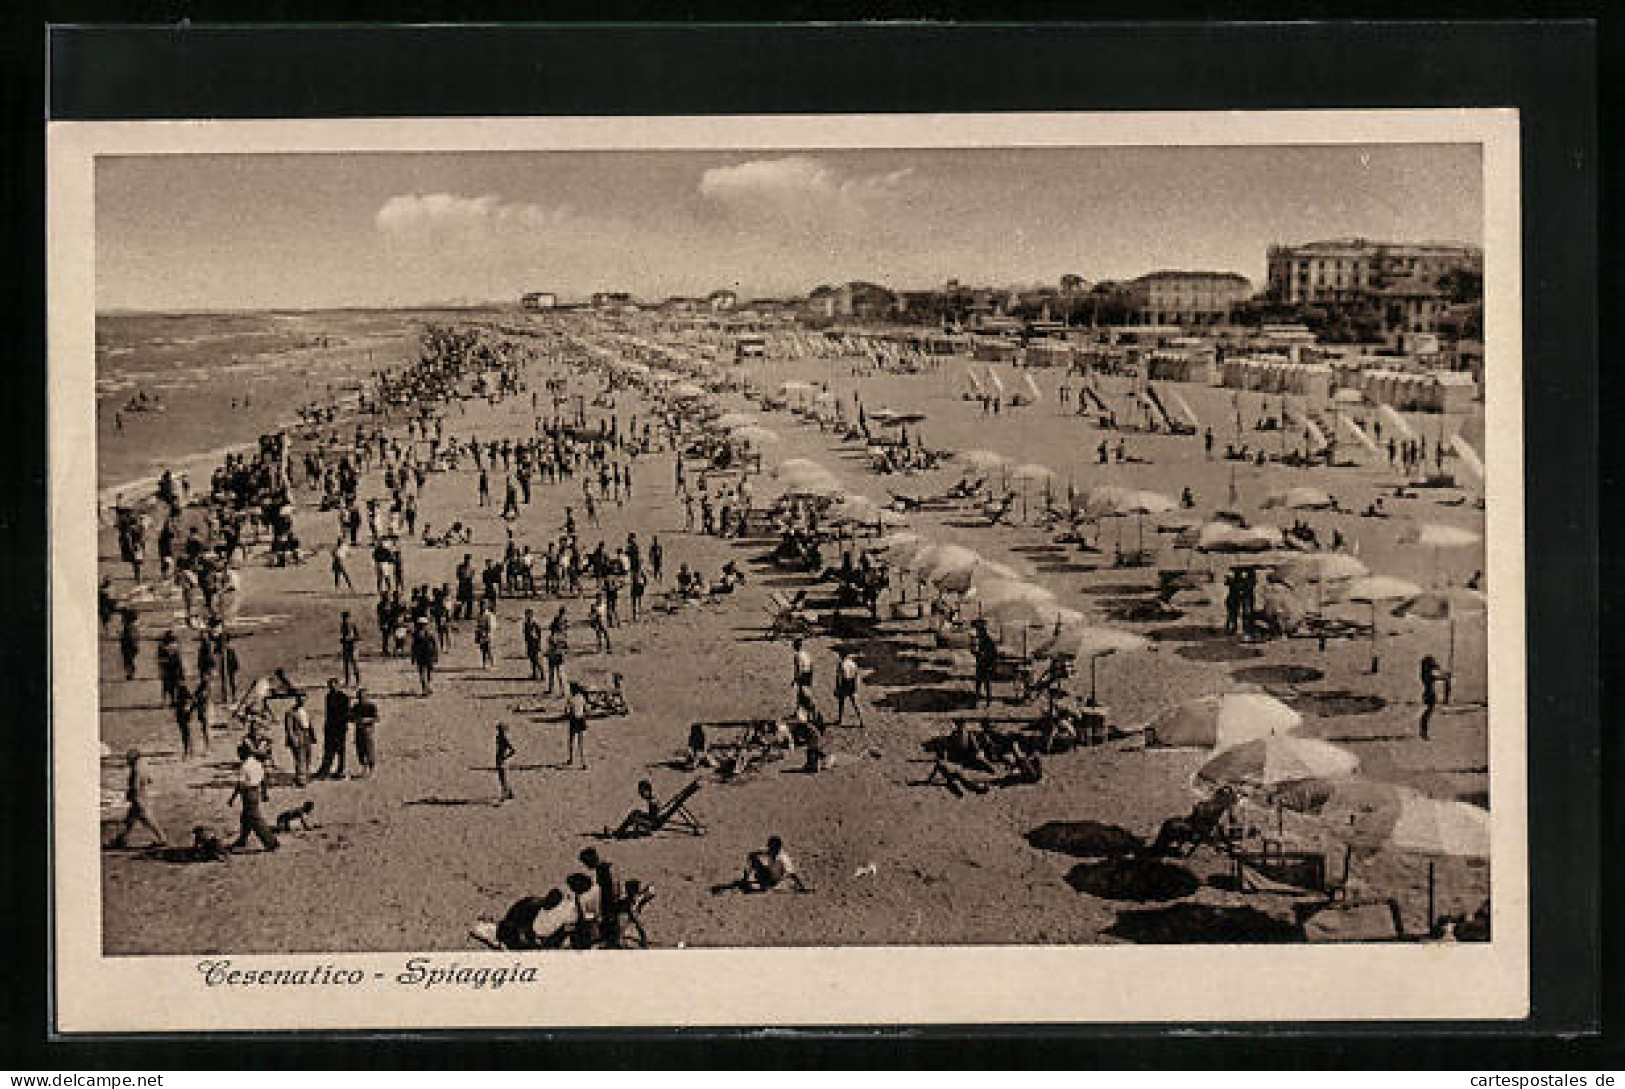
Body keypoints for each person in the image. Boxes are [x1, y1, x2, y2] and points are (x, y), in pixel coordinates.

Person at [712, 835, 808, 894]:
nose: (769, 849)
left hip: (773, 881)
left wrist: (802, 887)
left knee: (750, 889)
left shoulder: (783, 858)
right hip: (766, 874)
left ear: (777, 848)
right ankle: (745, 880)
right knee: (753, 858)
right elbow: (753, 854)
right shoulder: (770, 852)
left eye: (771, 847)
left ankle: (751, 885)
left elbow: (792, 874)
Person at [110, 749, 167, 849]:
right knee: (129, 821)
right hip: (143, 796)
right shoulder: (144, 767)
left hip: (138, 799)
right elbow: (150, 780)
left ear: (133, 759)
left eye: (128, 759)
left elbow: (135, 786)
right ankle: (120, 840)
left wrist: (129, 795)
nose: (127, 761)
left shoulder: (136, 770)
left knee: (148, 820)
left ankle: (162, 839)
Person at [228, 742, 279, 852]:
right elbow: (263, 780)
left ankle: (271, 842)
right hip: (256, 791)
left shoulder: (245, 766)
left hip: (248, 793)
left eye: (240, 753)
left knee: (255, 819)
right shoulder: (257, 763)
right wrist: (264, 793)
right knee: (246, 817)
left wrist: (232, 798)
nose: (239, 756)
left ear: (244, 753)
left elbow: (240, 784)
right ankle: (242, 840)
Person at [316, 678, 350, 779]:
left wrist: (343, 727)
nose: (331, 688)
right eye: (330, 686)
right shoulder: (328, 697)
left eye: (333, 686)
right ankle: (325, 769)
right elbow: (328, 713)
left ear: (338, 686)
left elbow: (345, 714)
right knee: (328, 749)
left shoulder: (344, 698)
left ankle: (340, 770)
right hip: (330, 727)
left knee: (340, 750)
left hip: (339, 727)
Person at [283, 691, 315, 786]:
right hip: (298, 736)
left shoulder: (305, 711)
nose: (302, 700)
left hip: (306, 736)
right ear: (296, 699)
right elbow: (289, 728)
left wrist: (312, 736)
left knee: (308, 756)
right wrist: (293, 739)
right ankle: (300, 780)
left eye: (304, 698)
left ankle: (305, 776)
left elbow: (309, 725)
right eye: (300, 698)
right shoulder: (290, 712)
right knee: (299, 758)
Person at [351, 688, 380, 777]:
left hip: (368, 730)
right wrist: (356, 720)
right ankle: (363, 768)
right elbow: (350, 717)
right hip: (358, 729)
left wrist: (367, 720)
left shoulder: (371, 706)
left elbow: (377, 718)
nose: (361, 699)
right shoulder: (356, 706)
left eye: (363, 697)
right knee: (360, 749)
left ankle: (371, 770)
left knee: (369, 750)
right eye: (359, 697)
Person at [1419, 654, 1449, 740]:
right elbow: (1436, 677)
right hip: (1429, 694)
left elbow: (1436, 676)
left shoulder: (1424, 673)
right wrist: (1444, 676)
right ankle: (1423, 731)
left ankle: (1423, 731)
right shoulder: (1426, 675)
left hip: (1428, 694)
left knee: (1427, 713)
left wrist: (1443, 674)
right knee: (1427, 713)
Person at [832, 650, 865, 727]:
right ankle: (862, 720)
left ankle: (840, 719)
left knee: (841, 702)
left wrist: (837, 687)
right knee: (855, 702)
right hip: (852, 682)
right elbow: (856, 675)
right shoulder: (852, 663)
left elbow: (839, 677)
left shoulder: (841, 664)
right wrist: (856, 685)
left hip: (844, 683)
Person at [971, 618, 999, 706]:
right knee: (980, 683)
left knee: (984, 683)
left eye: (979, 631)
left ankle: (985, 701)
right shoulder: (982, 640)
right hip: (982, 664)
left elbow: (993, 654)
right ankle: (979, 700)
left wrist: (991, 664)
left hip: (986, 665)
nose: (978, 633)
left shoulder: (988, 641)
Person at [410, 617, 439, 695]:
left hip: (427, 654)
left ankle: (427, 686)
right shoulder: (418, 634)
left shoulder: (427, 633)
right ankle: (425, 687)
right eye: (421, 625)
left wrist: (435, 655)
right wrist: (413, 657)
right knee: (424, 672)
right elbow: (414, 646)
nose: (422, 626)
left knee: (427, 671)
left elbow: (434, 645)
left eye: (423, 625)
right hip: (424, 655)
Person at [564, 682, 590, 769]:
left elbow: (567, 711)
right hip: (581, 720)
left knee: (571, 740)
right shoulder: (582, 697)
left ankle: (571, 759)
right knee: (581, 743)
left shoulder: (570, 699)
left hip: (574, 720)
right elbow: (586, 709)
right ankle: (584, 762)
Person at [494, 722, 516, 804]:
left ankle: (504, 795)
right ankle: (509, 793)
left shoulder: (504, 739)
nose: (498, 731)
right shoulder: (500, 738)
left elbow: (513, 750)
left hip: (502, 761)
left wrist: (505, 757)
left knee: (502, 779)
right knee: (502, 778)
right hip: (499, 759)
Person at [339, 611, 361, 684]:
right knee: (346, 665)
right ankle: (347, 681)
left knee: (354, 664)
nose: (345, 620)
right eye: (344, 618)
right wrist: (342, 640)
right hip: (345, 647)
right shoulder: (343, 626)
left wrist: (351, 638)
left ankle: (358, 681)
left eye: (346, 618)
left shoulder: (353, 625)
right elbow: (342, 636)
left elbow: (358, 637)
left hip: (353, 647)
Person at [522, 608, 544, 680]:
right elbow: (525, 634)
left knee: (537, 660)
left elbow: (539, 634)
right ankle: (535, 674)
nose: (527, 616)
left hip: (535, 644)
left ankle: (542, 674)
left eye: (528, 615)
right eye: (526, 615)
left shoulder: (535, 624)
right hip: (529, 644)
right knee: (532, 659)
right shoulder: (526, 624)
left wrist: (538, 643)